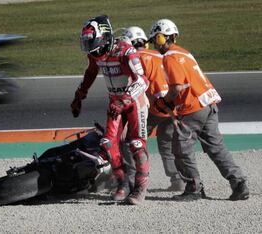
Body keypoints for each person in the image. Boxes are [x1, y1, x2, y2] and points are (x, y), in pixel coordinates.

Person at [149, 19, 249, 200]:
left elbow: (177, 88)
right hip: (209, 104)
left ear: (162, 38)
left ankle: (193, 188)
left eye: (156, 39)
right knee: (216, 148)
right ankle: (239, 183)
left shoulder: (170, 57)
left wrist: (164, 102)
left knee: (180, 147)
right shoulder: (184, 53)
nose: (155, 44)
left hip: (193, 108)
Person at [71, 15, 150, 205]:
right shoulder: (95, 54)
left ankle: (140, 187)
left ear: (103, 37)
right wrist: (79, 96)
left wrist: (125, 99)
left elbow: (143, 80)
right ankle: (122, 183)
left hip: (135, 101)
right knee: (107, 142)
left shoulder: (125, 51)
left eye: (92, 41)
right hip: (115, 102)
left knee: (137, 145)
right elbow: (90, 73)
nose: (89, 47)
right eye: (87, 42)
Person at [120, 26, 185, 191]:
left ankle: (132, 180)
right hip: (172, 106)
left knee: (129, 141)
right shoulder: (162, 55)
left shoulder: (133, 58)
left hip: (154, 107)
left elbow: (134, 88)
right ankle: (178, 180)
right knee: (166, 143)